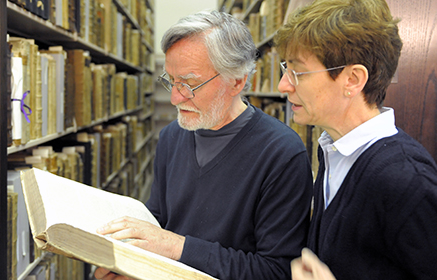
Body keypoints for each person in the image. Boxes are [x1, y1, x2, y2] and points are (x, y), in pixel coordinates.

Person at [94, 10, 313, 280]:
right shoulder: (171, 137)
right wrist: (128, 263)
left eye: (190, 84)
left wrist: (176, 247)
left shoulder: (282, 153)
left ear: (237, 81)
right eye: (171, 81)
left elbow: (275, 271)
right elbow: (158, 220)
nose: (175, 97)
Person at [273, 0, 437, 279]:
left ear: (352, 79)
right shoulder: (334, 151)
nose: (283, 85)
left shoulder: (408, 181)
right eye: (284, 68)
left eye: (297, 72)